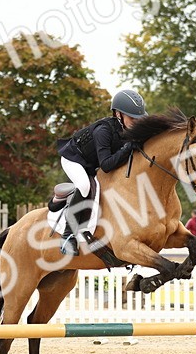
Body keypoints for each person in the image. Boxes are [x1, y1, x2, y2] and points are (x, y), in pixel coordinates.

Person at [55, 89, 148, 255]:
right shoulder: (103, 131)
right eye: (132, 118)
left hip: (93, 163)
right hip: (74, 159)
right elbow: (106, 165)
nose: (136, 123)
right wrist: (128, 147)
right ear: (118, 114)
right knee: (84, 186)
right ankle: (68, 236)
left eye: (139, 119)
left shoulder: (127, 129)